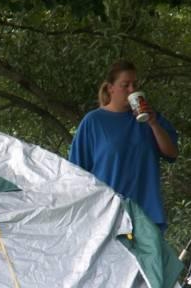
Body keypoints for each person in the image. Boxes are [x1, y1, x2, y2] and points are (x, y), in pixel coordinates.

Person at [69, 60, 179, 232]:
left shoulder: (151, 119)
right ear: (110, 88)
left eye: (135, 85)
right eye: (125, 85)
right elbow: (76, 173)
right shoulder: (93, 121)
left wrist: (153, 124)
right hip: (106, 215)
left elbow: (172, 153)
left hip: (147, 213)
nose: (131, 90)